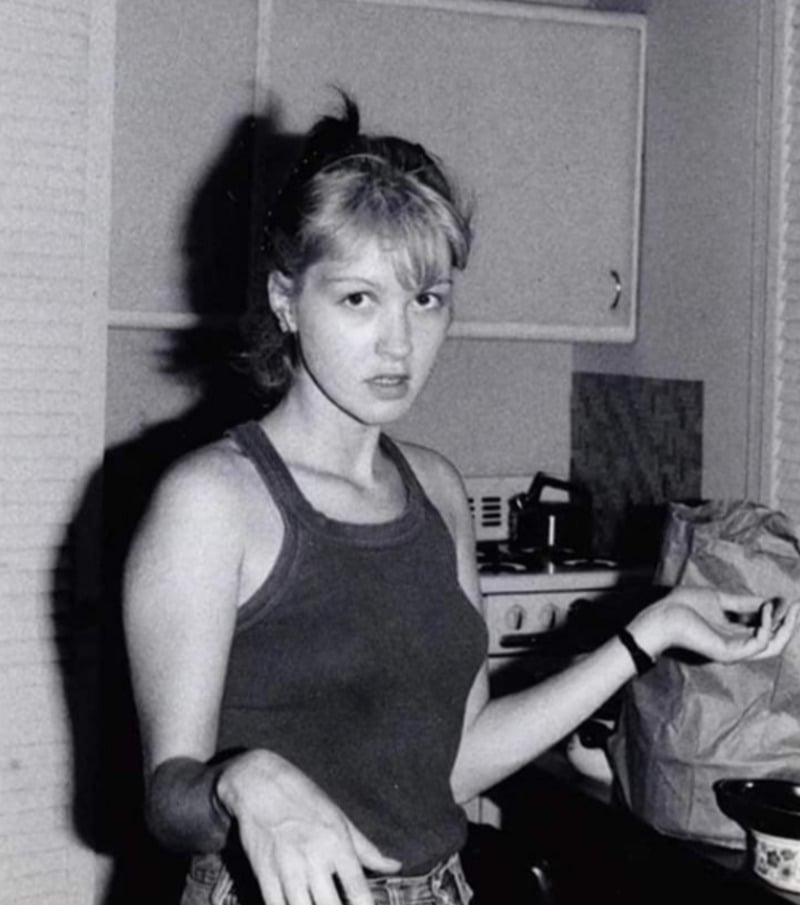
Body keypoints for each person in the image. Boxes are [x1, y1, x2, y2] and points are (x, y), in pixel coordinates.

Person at [122, 95, 800, 905]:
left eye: (427, 299)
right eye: (358, 300)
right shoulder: (212, 499)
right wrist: (241, 782)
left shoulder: (437, 490)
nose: (399, 343)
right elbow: (165, 799)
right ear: (284, 300)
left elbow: (458, 759)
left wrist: (650, 629)